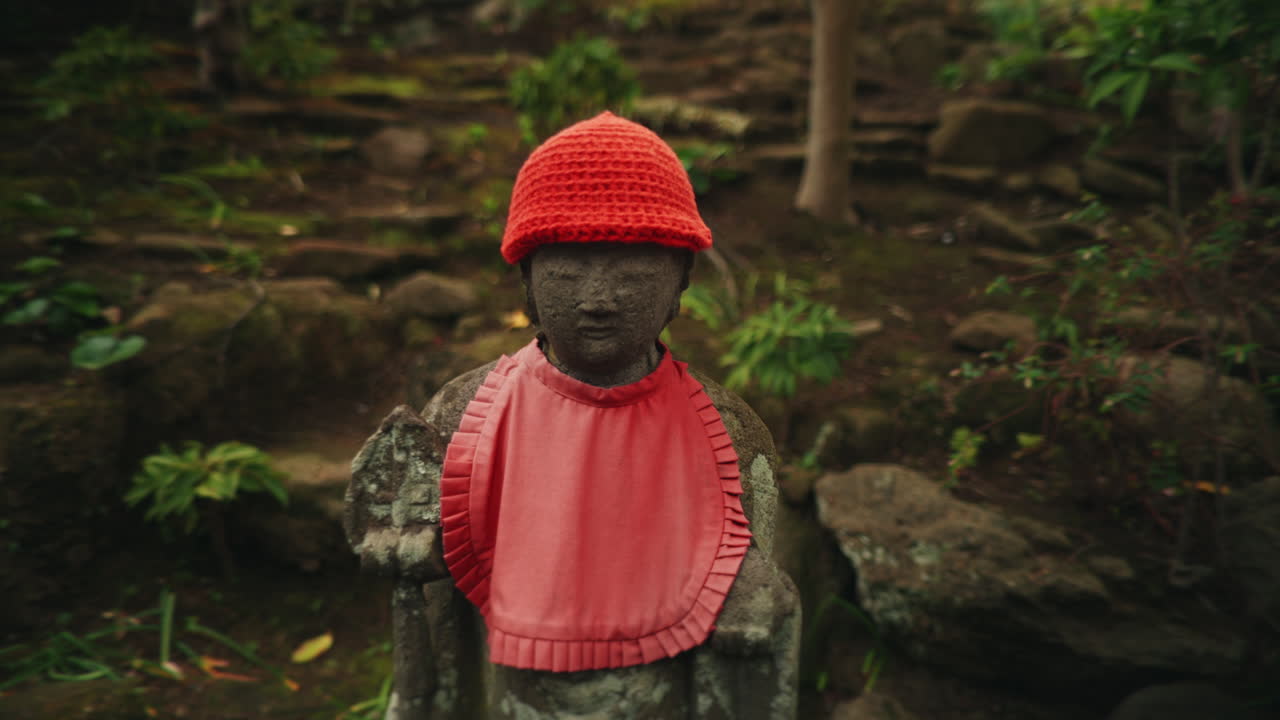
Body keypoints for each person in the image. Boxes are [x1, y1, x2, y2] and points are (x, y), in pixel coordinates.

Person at [346, 112, 798, 720]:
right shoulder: (466, 416)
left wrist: (753, 596)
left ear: (681, 279)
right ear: (526, 282)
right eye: (566, 268)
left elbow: (753, 587)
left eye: (634, 269)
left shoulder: (729, 433)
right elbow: (431, 605)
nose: (597, 299)